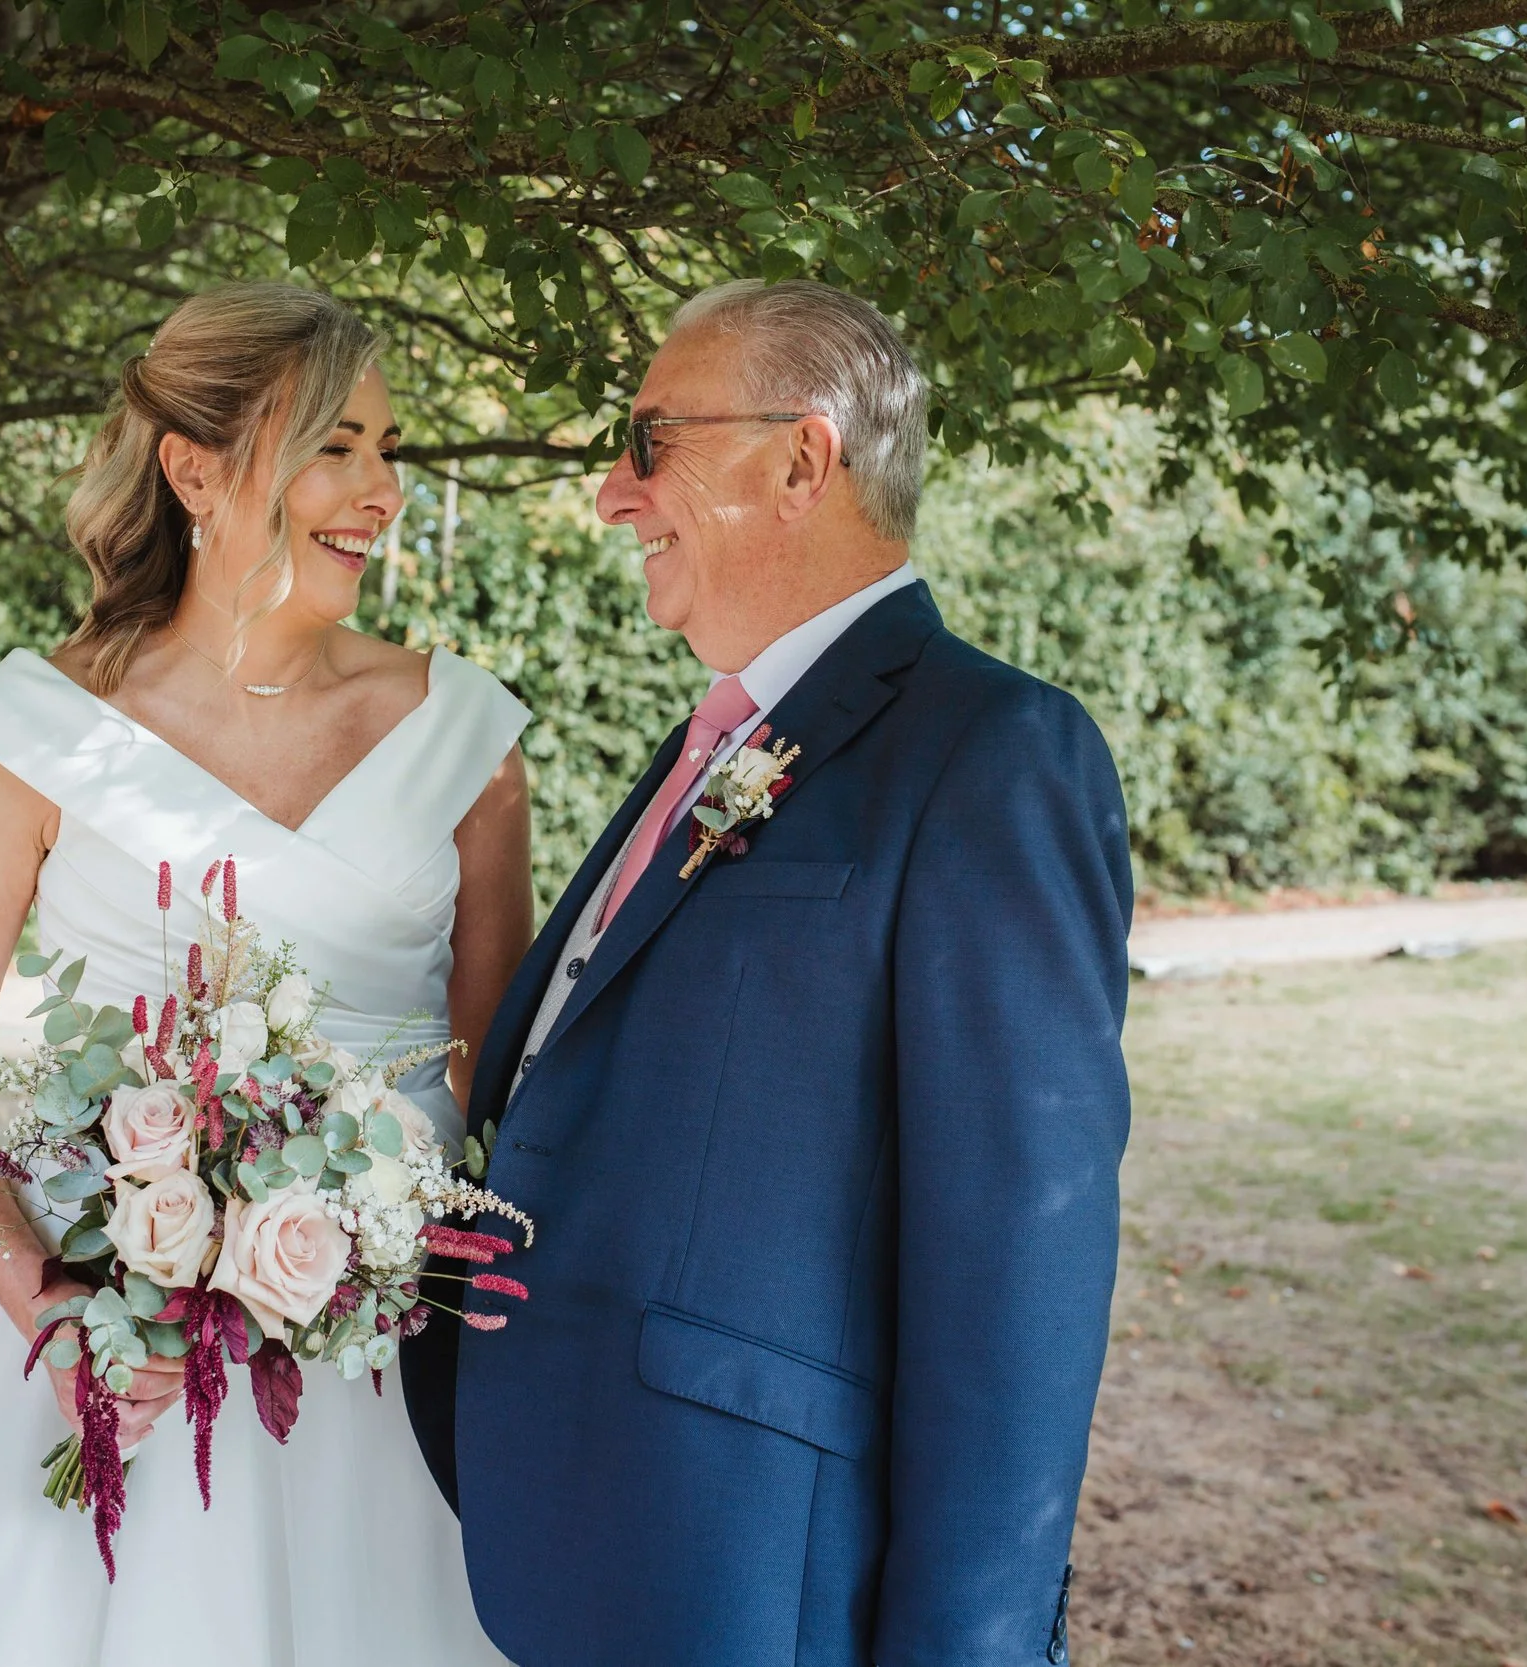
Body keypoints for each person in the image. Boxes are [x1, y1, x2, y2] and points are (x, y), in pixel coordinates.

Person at [402, 280, 1135, 1667]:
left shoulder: (992, 756)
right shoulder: (720, 738)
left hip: (760, 1573)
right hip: (591, 1534)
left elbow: (1019, 1276)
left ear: (803, 459)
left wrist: (968, 1651)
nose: (613, 495)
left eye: (650, 441)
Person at [0, 284, 531, 1667]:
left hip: (386, 1363)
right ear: (194, 470)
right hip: (106, 1332)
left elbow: (492, 1070)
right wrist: (53, 1306)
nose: (381, 489)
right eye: (334, 445)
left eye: (389, 447)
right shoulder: (32, 730)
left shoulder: (463, 734)